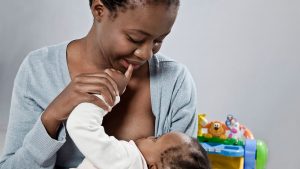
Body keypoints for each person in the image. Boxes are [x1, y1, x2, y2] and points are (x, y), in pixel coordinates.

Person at [0, 0, 198, 168]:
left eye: (158, 40)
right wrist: (51, 117)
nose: (145, 54)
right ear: (99, 10)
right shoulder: (40, 70)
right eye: (135, 38)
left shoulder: (175, 83)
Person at [66, 67, 210, 169]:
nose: (150, 136)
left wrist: (109, 93)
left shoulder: (128, 160)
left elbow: (79, 125)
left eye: (156, 139)